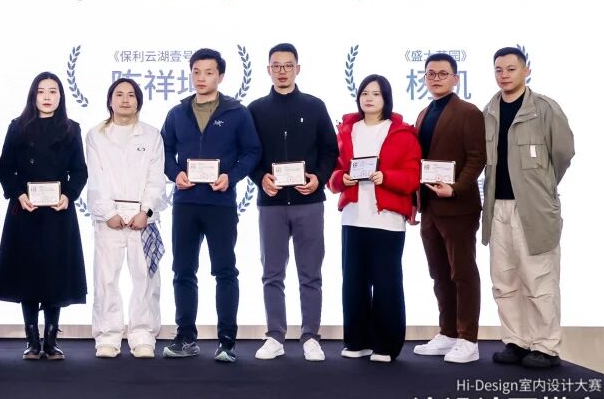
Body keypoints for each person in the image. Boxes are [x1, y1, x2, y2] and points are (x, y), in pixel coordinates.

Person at [161, 48, 262, 362]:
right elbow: (163, 151)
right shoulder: (177, 113)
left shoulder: (237, 112)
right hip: (186, 202)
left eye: (208, 72)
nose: (201, 78)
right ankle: (185, 338)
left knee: (224, 270)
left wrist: (231, 177)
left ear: (220, 76)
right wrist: (175, 173)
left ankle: (227, 341)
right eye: (196, 72)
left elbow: (252, 152)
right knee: (183, 270)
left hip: (220, 204)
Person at [481, 48, 575, 369]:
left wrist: (542, 189)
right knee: (504, 280)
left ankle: (545, 346)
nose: (504, 75)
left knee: (539, 279)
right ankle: (516, 341)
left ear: (526, 70)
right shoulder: (488, 111)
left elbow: (562, 154)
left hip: (533, 210)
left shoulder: (544, 109)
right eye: (498, 69)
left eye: (511, 68)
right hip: (497, 209)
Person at [247, 43, 339, 362]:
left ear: (298, 69)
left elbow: (330, 150)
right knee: (272, 273)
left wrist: (318, 178)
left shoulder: (315, 106)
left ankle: (311, 336)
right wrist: (260, 177)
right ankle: (275, 335)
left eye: (288, 65)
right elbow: (249, 153)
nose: (282, 71)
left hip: (308, 202)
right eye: (276, 65)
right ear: (268, 70)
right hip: (271, 203)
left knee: (310, 273)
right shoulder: (255, 109)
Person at [0, 72, 88, 361]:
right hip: (25, 211)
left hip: (58, 212)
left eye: (53, 91)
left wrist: (68, 195)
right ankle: (32, 340)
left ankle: (51, 340)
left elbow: (80, 170)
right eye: (41, 91)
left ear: (61, 96)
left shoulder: (71, 129)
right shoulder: (18, 127)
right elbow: (4, 168)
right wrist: (18, 194)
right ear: (33, 96)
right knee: (27, 273)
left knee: (55, 274)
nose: (47, 97)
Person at [328, 75, 421, 363]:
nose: (369, 98)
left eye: (376, 94)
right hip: (353, 217)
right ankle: (357, 341)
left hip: (387, 220)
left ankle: (386, 345)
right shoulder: (347, 130)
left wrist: (386, 177)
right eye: (364, 93)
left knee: (386, 283)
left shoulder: (402, 133)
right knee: (353, 283)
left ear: (386, 99)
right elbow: (333, 173)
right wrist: (341, 178)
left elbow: (413, 176)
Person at [412, 53, 487, 365]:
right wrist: (415, 203)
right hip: (430, 207)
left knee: (462, 273)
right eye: (431, 73)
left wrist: (455, 187)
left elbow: (477, 157)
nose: (436, 78)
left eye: (443, 73)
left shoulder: (468, 112)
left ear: (456, 78)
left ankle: (468, 339)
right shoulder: (423, 114)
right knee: (439, 274)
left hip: (458, 207)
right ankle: (448, 333)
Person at [85, 78, 167, 359]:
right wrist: (108, 213)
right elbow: (96, 178)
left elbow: (156, 179)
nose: (124, 100)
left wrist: (147, 211)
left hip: (143, 219)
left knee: (145, 278)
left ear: (138, 101)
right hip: (108, 218)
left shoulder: (152, 135)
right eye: (118, 94)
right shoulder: (96, 135)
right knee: (106, 278)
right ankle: (107, 335)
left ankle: (143, 335)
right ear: (110, 101)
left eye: (131, 95)